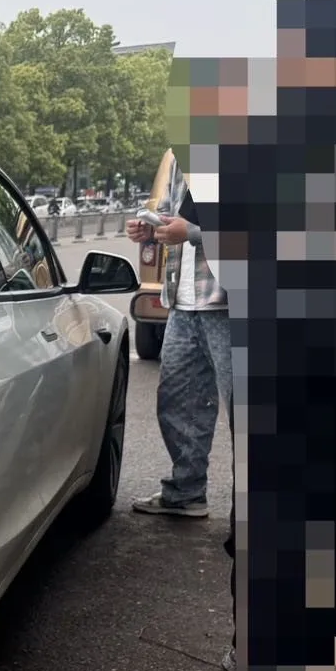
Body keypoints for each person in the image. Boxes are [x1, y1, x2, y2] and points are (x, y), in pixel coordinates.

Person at [126, 194, 232, 520]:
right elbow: (174, 219)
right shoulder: (179, 168)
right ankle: (186, 492)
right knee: (178, 403)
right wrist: (152, 229)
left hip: (230, 303)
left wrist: (193, 232)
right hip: (182, 302)